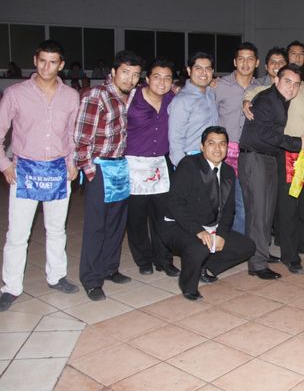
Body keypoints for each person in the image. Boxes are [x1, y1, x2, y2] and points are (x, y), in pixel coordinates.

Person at [0, 40, 80, 311]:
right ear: (35, 60)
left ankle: (56, 276)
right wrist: (4, 163)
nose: (47, 66)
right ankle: (11, 286)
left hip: (58, 170)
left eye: (53, 61)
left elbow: (72, 134)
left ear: (61, 65)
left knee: (56, 229)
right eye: (42, 60)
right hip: (25, 171)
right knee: (17, 234)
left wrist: (73, 163)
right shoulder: (15, 93)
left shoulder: (71, 96)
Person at [74, 50, 143, 301]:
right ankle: (91, 279)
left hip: (120, 166)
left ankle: (109, 268)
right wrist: (91, 172)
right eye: (125, 72)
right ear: (113, 72)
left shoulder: (130, 96)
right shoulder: (97, 96)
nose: (130, 79)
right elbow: (81, 139)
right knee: (96, 227)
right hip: (100, 168)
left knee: (116, 224)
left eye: (135, 75)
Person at [159, 126, 255, 300]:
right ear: (202, 146)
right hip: (178, 225)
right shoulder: (189, 165)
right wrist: (198, 230)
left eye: (222, 144)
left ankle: (203, 264)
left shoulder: (227, 171)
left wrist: (221, 234)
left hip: (211, 225)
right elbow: (175, 204)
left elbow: (228, 209)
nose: (217, 149)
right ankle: (188, 284)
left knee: (247, 246)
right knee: (199, 247)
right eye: (211, 143)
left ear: (227, 147)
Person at [238, 65, 304, 279]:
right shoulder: (269, 99)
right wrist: (298, 143)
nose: (292, 87)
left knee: (266, 212)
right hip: (255, 158)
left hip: (266, 158)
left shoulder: (278, 100)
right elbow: (266, 133)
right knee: (258, 214)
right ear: (276, 80)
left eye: (296, 84)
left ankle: (261, 252)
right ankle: (257, 265)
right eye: (287, 81)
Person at [125, 59, 178, 277]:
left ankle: (163, 259)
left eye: (167, 78)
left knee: (163, 215)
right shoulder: (131, 98)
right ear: (147, 79)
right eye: (157, 76)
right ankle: (143, 259)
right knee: (136, 217)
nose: (162, 82)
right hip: (134, 164)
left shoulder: (172, 99)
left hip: (161, 165)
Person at [216, 42, 261, 237]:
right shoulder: (219, 85)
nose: (245, 63)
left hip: (249, 153)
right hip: (223, 152)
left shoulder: (262, 88)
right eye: (241, 59)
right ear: (235, 61)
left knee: (243, 202)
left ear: (257, 62)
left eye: (250, 59)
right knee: (220, 202)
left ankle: (237, 245)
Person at [168, 52, 219, 166]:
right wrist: (184, 167)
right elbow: (175, 140)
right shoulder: (182, 100)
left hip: (212, 158)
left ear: (212, 71)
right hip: (190, 159)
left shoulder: (211, 93)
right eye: (198, 68)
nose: (203, 73)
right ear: (189, 70)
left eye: (208, 69)